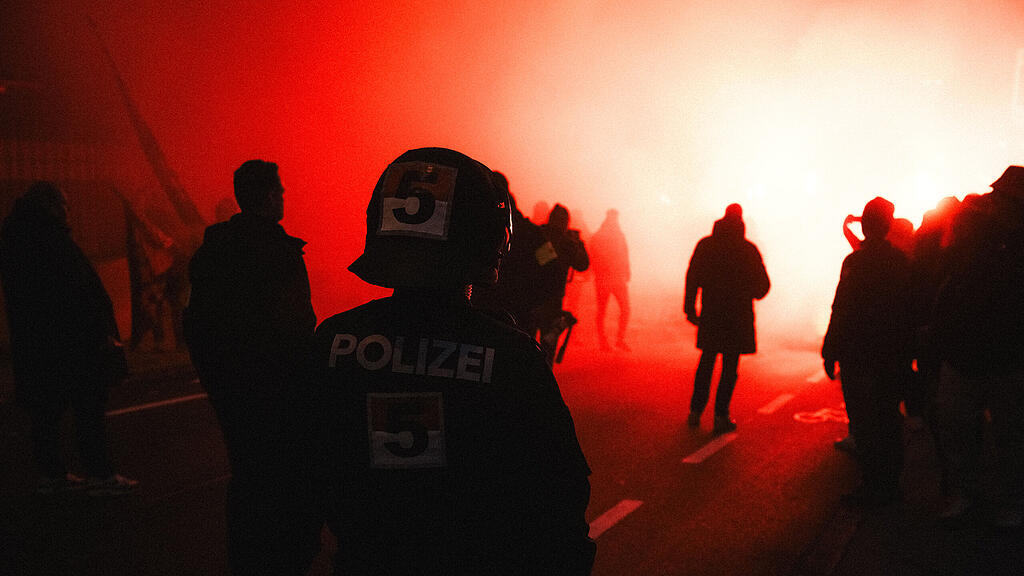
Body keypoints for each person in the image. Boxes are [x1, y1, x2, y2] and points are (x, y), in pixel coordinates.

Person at [316, 147, 595, 575]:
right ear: (488, 231)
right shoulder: (514, 358)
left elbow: (294, 477)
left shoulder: (333, 342)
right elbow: (558, 496)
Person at [183, 160, 321, 575]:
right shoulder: (278, 252)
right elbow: (297, 323)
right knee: (288, 477)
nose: (283, 197)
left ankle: (246, 559)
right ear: (265, 196)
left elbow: (196, 322)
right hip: (278, 386)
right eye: (279, 190)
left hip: (231, 386)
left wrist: (215, 376)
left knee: (246, 474)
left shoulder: (213, 252)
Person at [0, 181, 137, 495]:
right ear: (48, 205)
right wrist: (98, 331)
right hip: (71, 340)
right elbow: (75, 293)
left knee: (46, 409)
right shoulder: (50, 240)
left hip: (40, 340)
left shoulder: (20, 238)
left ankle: (53, 473)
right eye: (63, 203)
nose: (68, 210)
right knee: (88, 404)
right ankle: (100, 473)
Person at [930, 167, 1024, 527]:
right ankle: (970, 494)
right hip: (969, 348)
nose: (994, 201)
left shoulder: (1007, 243)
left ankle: (1009, 501)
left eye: (1002, 196)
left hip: (1004, 352)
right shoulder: (975, 232)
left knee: (1010, 432)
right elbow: (949, 280)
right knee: (959, 426)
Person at [822, 196, 912, 508]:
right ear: (888, 226)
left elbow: (840, 307)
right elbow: (909, 312)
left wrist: (830, 348)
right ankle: (891, 485)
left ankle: (873, 485)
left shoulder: (855, 263)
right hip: (889, 355)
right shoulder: (901, 263)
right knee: (888, 418)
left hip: (857, 354)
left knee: (863, 421)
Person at [684, 203, 770, 434]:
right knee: (730, 367)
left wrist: (690, 308)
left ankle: (695, 411)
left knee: (706, 362)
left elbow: (692, 277)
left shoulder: (706, 245)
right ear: (741, 221)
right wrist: (745, 290)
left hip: (711, 314)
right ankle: (721, 416)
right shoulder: (748, 250)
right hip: (737, 318)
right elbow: (763, 287)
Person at [533, 204, 590, 363]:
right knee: (547, 350)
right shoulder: (564, 243)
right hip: (551, 302)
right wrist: (577, 244)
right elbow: (582, 264)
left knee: (527, 344)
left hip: (531, 299)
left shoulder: (538, 234)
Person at [590, 209, 631, 351]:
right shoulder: (601, 236)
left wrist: (626, 269)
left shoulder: (615, 235)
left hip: (614, 278)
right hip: (607, 279)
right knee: (605, 311)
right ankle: (606, 341)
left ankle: (617, 340)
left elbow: (625, 253)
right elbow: (594, 257)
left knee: (624, 309)